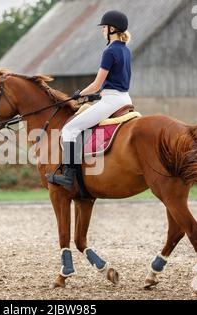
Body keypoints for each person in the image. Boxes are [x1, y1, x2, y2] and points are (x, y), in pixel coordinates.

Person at [46, 10, 133, 189]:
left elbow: (96, 83)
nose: (102, 31)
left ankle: (69, 176)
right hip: (124, 98)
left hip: (112, 101)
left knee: (69, 129)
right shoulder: (125, 50)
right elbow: (115, 82)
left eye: (104, 27)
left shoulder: (109, 51)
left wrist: (79, 94)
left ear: (112, 29)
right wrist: (97, 94)